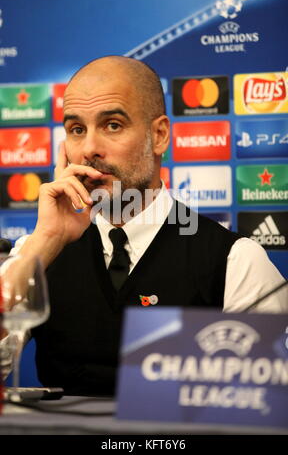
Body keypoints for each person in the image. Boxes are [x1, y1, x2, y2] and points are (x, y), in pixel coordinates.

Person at [1, 56, 287, 396]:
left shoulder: (236, 260)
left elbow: (267, 402)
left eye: (112, 125)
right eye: (77, 130)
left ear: (160, 135)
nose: (89, 149)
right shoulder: (37, 254)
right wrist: (45, 240)